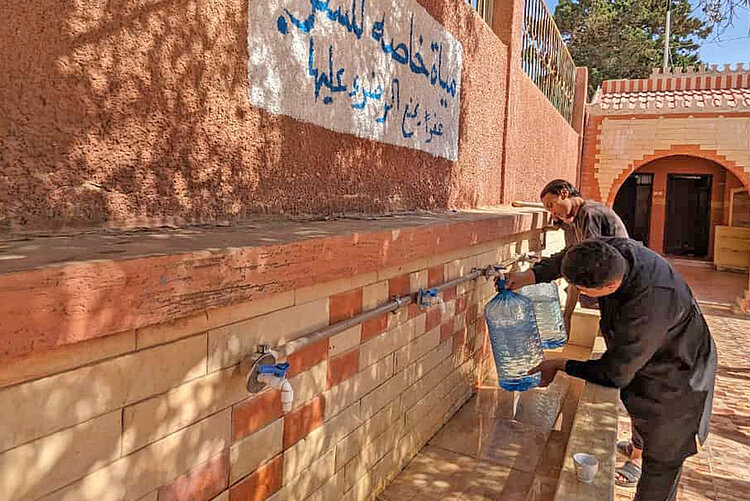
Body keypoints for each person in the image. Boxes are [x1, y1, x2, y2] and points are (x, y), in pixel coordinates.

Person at [508, 239, 716, 501]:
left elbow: (615, 373)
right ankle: (639, 442)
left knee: (661, 461)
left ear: (609, 287)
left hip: (680, 378)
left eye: (579, 289)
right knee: (641, 410)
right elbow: (569, 260)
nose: (574, 290)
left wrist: (561, 364)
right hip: (652, 356)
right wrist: (532, 274)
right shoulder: (609, 252)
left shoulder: (649, 304)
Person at [539, 179, 628, 333]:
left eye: (551, 206)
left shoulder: (590, 213)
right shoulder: (574, 221)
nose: (553, 215)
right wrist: (567, 317)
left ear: (564, 193)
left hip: (621, 283)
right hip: (610, 282)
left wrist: (567, 315)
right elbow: (574, 267)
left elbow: (584, 266)